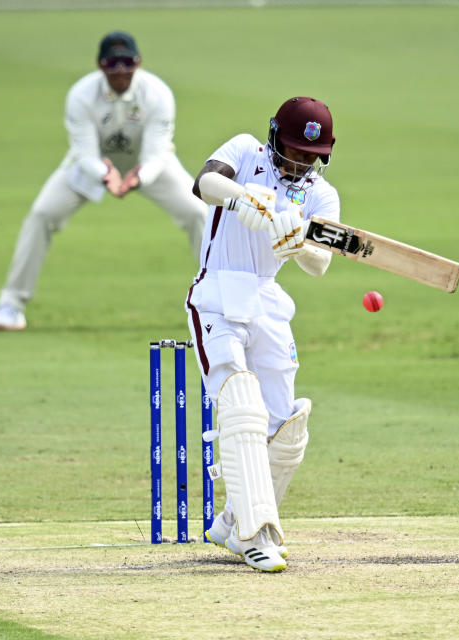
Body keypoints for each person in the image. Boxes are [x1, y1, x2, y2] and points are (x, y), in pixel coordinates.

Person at [187, 97, 339, 572]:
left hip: (269, 302)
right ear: (274, 138)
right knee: (242, 406)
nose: (299, 163)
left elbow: (322, 263)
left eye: (310, 156)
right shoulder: (245, 152)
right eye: (293, 151)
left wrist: (299, 245)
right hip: (217, 292)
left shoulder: (321, 194)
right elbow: (204, 183)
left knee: (285, 428)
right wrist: (241, 198)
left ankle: (232, 522)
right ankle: (257, 535)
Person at [0, 31, 207, 330]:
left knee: (198, 212)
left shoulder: (158, 94)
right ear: (100, 65)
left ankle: (217, 301)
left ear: (138, 63)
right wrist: (106, 175)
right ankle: (10, 305)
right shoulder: (81, 95)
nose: (120, 71)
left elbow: (156, 155)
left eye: (127, 62)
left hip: (149, 166)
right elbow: (84, 153)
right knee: (42, 214)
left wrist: (137, 177)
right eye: (112, 63)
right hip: (93, 166)